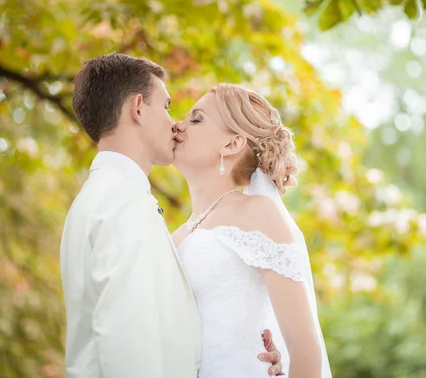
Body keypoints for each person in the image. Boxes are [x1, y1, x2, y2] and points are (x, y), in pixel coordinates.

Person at [60, 53, 282, 377]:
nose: (174, 123)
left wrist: (245, 357)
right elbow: (129, 348)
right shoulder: (121, 203)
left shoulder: (101, 199)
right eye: (165, 107)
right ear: (138, 108)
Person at [171, 83, 332, 377]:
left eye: (196, 119)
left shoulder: (257, 213)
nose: (178, 126)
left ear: (231, 144)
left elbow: (304, 343)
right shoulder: (176, 237)